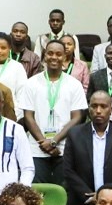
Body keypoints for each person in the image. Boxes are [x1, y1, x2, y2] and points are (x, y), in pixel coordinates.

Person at [19, 39, 88, 186]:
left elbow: (77, 118)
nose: (54, 57)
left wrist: (54, 141)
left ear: (65, 57)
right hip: (36, 149)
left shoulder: (74, 84)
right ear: (44, 56)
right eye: (50, 53)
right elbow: (28, 117)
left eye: (58, 54)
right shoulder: (31, 83)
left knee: (62, 191)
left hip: (64, 148)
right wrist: (44, 143)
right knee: (37, 194)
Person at [0, 34, 31, 99]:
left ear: (9, 49)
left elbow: (22, 93)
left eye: (3, 48)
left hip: (11, 106)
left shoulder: (17, 67)